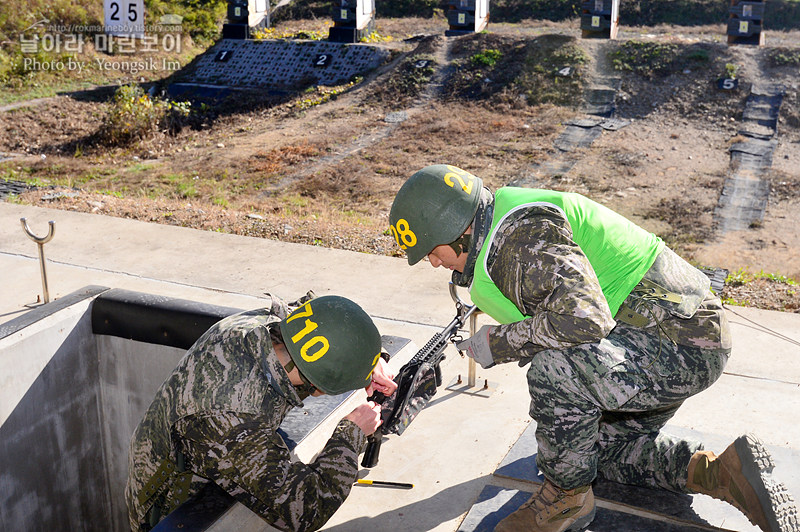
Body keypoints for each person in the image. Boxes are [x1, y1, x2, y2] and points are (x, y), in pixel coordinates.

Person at [389, 164, 798, 532]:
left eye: (432, 251)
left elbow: (583, 321)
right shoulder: (505, 227)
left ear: (458, 231)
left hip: (677, 342)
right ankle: (721, 473)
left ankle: (566, 501)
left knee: (553, 371)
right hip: (661, 337)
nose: (435, 264)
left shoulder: (518, 239)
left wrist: (500, 342)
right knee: (592, 453)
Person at [125, 293, 398, 532]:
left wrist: (368, 361)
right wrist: (350, 434)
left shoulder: (267, 327)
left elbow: (323, 323)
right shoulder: (232, 418)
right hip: (176, 510)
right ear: (320, 381)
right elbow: (305, 510)